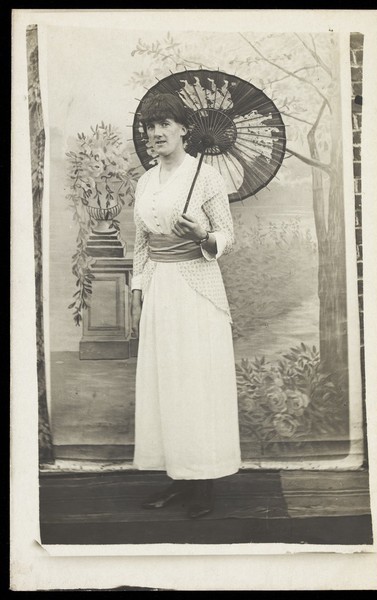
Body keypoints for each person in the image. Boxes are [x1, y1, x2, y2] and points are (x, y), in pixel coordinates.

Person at [131, 93, 241, 519]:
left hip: (197, 291)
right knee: (167, 384)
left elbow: (226, 236)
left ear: (183, 129)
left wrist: (201, 234)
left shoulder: (206, 177)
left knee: (197, 383)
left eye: (164, 124)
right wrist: (139, 293)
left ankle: (204, 485)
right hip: (160, 290)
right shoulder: (146, 182)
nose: (155, 133)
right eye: (149, 127)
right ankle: (180, 478)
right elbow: (142, 243)